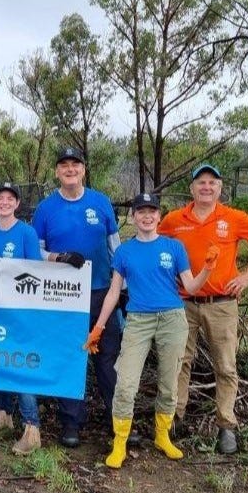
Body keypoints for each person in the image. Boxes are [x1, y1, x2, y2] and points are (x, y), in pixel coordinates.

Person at [86, 193, 218, 469]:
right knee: (125, 384)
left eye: (152, 212)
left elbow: (191, 287)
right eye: (141, 212)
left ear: (159, 216)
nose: (146, 217)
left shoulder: (174, 247)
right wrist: (98, 327)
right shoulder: (124, 252)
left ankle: (162, 436)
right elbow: (113, 292)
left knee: (169, 382)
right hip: (138, 320)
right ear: (133, 217)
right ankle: (119, 442)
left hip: (172, 318)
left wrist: (207, 269)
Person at [158, 164, 248, 454]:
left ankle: (226, 425)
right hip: (184, 302)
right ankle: (175, 419)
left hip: (222, 304)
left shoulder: (233, 218)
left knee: (225, 365)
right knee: (179, 363)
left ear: (220, 189)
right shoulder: (175, 220)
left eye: (212, 182)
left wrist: (247, 276)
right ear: (192, 188)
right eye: (201, 182)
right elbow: (155, 246)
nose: (206, 187)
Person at [31, 147, 124, 448]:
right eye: (64, 165)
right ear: (57, 171)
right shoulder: (46, 208)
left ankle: (117, 422)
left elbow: (116, 248)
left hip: (102, 293)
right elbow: (36, 252)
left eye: (76, 164)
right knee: (72, 358)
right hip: (63, 296)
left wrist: (121, 288)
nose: (70, 169)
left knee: (108, 359)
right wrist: (59, 257)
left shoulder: (101, 202)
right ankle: (71, 423)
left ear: (84, 169)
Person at [0, 182, 43, 455]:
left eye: (10, 198)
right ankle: (3, 416)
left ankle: (32, 428)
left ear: (17, 204)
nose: (4, 202)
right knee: (0, 361)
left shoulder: (27, 232)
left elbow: (35, 271)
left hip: (21, 312)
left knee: (20, 363)